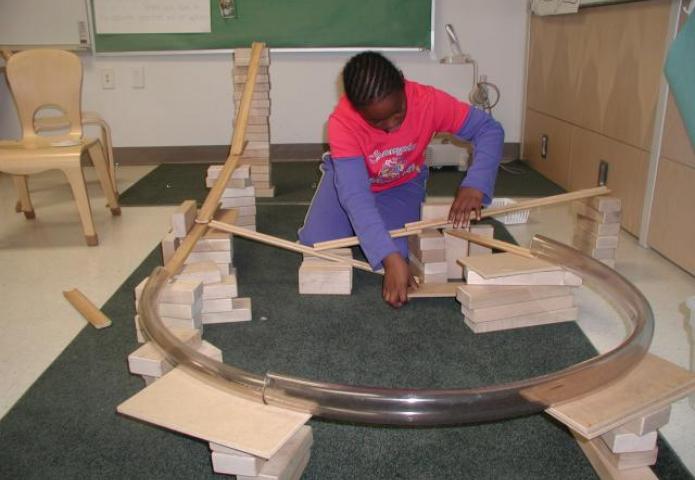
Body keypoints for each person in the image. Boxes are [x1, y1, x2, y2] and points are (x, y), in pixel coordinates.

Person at [298, 51, 504, 308]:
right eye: (377, 122)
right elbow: (355, 195)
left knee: (408, 256)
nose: (392, 127)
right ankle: (363, 229)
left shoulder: (427, 101)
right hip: (350, 183)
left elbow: (489, 130)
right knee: (318, 245)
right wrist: (386, 255)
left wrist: (476, 183)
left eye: (398, 113)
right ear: (356, 109)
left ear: (403, 84)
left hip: (401, 184)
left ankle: (367, 231)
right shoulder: (343, 122)